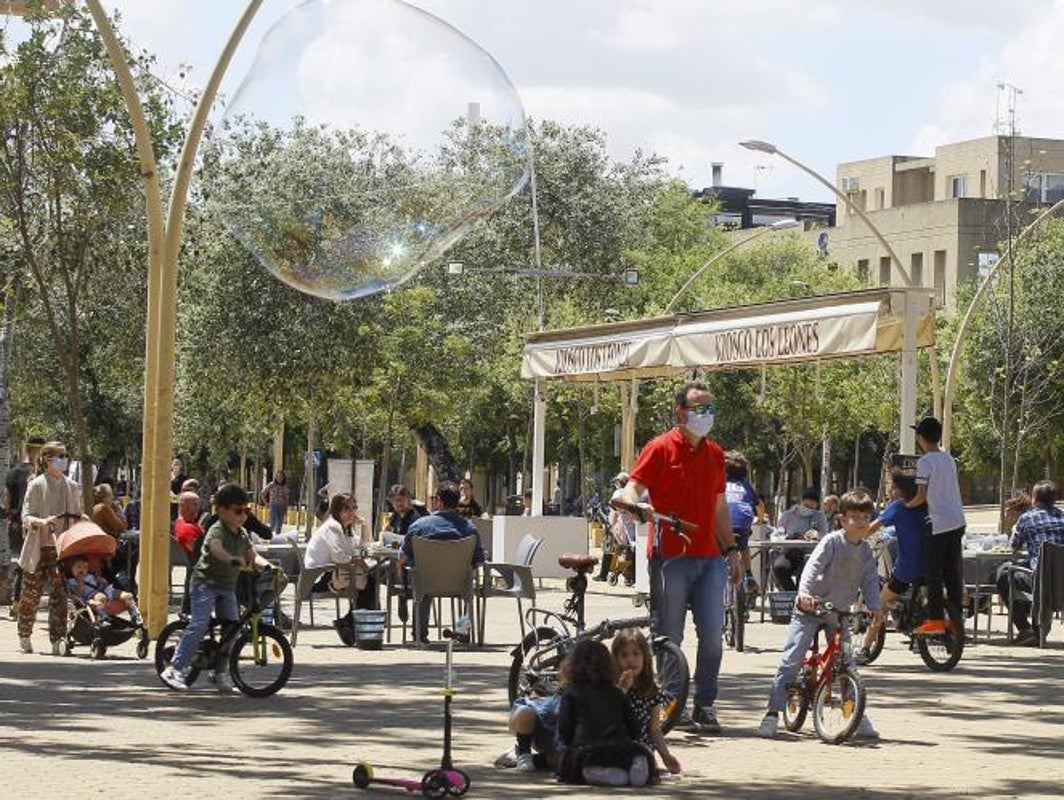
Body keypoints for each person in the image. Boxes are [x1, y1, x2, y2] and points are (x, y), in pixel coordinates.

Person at [622, 381, 741, 735]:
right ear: (681, 412)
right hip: (670, 558)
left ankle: (704, 705)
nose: (706, 415)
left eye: (710, 408)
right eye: (699, 408)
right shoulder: (659, 448)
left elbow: (719, 507)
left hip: (710, 558)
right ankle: (672, 704)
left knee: (713, 637)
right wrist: (634, 503)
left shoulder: (716, 454)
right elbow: (633, 486)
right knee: (668, 637)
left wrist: (732, 549)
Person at [757, 491, 881, 740]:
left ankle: (855, 711)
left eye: (865, 517)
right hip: (810, 608)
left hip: (840, 612)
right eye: (854, 517)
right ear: (842, 519)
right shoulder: (831, 542)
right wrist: (803, 593)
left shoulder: (866, 551)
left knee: (847, 662)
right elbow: (812, 567)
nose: (860, 522)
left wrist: (875, 606)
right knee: (792, 657)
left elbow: (869, 580)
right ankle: (772, 712)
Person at [160, 484, 272, 692]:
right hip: (205, 583)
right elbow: (216, 549)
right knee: (200, 623)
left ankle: (219, 673)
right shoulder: (217, 529)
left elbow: (252, 555)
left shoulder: (241, 534)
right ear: (221, 510)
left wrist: (267, 566)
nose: (242, 516)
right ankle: (174, 668)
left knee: (232, 630)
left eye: (245, 511)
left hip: (227, 586)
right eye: (237, 511)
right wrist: (232, 560)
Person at [18, 441, 87, 655]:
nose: (63, 460)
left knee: (60, 594)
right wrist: (41, 521)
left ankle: (58, 638)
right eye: (59, 456)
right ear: (47, 460)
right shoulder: (37, 484)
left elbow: (77, 514)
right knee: (31, 593)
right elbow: (26, 515)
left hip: (62, 547)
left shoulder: (72, 486)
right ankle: (24, 633)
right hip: (40, 546)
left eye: (65, 455)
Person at [556, 639, 653, 787]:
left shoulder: (571, 693)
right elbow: (635, 730)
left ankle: (606, 774)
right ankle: (635, 766)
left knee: (579, 764)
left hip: (588, 752)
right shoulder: (617, 693)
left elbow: (564, 732)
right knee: (638, 752)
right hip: (621, 749)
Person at [855, 470, 927, 663]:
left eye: (891, 485)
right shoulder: (928, 505)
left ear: (898, 489)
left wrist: (853, 539)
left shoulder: (897, 507)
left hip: (907, 568)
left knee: (880, 605)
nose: (889, 489)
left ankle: (865, 648)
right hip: (932, 566)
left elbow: (873, 528)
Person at [399, 481, 485, 643]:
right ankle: (462, 629)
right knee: (469, 587)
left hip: (426, 583)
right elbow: (478, 561)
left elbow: (402, 558)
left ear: (438, 501)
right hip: (459, 584)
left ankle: (420, 634)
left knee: (420, 578)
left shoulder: (419, 526)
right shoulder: (470, 529)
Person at [908, 416, 966, 636]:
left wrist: (905, 504)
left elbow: (921, 497)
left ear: (921, 438)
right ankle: (956, 618)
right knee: (952, 570)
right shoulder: (949, 459)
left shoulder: (925, 462)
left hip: (939, 521)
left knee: (933, 571)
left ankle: (935, 619)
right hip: (957, 520)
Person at [995, 480, 1064, 645]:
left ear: (1034, 498)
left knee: (1003, 574)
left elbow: (1013, 546)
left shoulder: (1027, 518)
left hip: (1039, 581)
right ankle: (1036, 626)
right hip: (1062, 583)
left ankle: (1026, 629)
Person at [611, 629, 682, 776]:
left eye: (636, 654)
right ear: (616, 660)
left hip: (642, 749)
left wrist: (666, 757)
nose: (630, 660)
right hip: (617, 745)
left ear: (645, 657)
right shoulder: (612, 688)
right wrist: (622, 690)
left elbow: (655, 729)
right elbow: (608, 716)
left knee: (642, 764)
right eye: (624, 655)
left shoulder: (650, 690)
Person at [305, 493, 375, 609]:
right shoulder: (333, 527)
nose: (352, 512)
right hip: (319, 577)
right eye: (347, 509)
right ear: (337, 511)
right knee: (368, 580)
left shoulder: (346, 528)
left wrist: (364, 526)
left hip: (335, 572)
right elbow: (339, 556)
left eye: (354, 508)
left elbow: (362, 547)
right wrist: (358, 561)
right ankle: (359, 620)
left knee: (368, 576)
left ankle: (356, 620)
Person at [4, 436, 45, 617]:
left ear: (26, 449)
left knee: (22, 563)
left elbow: (7, 501)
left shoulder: (12, 472)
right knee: (33, 565)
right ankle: (22, 603)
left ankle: (17, 603)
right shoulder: (40, 475)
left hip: (14, 524)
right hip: (34, 524)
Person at [772, 488, 829, 592]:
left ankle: (802, 596)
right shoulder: (787, 515)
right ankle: (793, 594)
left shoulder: (819, 516)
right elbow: (777, 533)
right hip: (789, 551)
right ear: (801, 502)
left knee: (805, 572)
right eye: (806, 506)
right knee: (779, 567)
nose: (808, 509)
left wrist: (817, 535)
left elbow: (825, 536)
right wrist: (786, 537)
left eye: (812, 507)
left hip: (809, 554)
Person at [495, 694, 564, 773]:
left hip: (557, 733)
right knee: (526, 712)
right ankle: (523, 752)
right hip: (527, 720)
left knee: (566, 763)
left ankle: (531, 758)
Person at [65, 555, 142, 622]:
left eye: (85, 567)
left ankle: (135, 615)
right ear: (71, 568)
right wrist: (80, 582)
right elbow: (77, 594)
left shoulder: (91, 576)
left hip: (106, 590)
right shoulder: (72, 581)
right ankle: (103, 618)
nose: (82, 569)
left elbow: (102, 585)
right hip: (91, 595)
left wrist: (101, 581)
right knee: (101, 597)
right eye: (78, 567)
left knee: (128, 595)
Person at [725, 452, 760, 595]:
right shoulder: (745, 484)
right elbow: (759, 505)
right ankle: (749, 575)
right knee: (744, 546)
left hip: (723, 523)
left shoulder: (720, 482)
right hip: (742, 524)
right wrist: (761, 519)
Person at [596, 472, 636, 583]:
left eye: (617, 481)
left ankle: (603, 574)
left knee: (608, 547)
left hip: (619, 526)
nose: (615, 483)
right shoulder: (633, 492)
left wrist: (611, 525)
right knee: (630, 549)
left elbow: (614, 511)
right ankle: (630, 575)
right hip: (632, 527)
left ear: (621, 482)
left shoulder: (618, 493)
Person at [174, 492, 205, 557]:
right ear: (185, 506)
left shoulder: (185, 523)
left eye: (198, 505)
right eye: (195, 504)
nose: (198, 508)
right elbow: (198, 553)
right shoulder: (187, 528)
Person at [261, 470, 290, 536]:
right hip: (273, 505)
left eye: (281, 477)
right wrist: (266, 503)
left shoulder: (285, 486)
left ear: (283, 478)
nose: (280, 478)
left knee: (279, 523)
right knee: (273, 522)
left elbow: (286, 498)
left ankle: (277, 538)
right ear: (276, 477)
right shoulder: (272, 484)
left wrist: (286, 508)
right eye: (278, 476)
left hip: (281, 506)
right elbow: (263, 493)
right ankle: (269, 536)